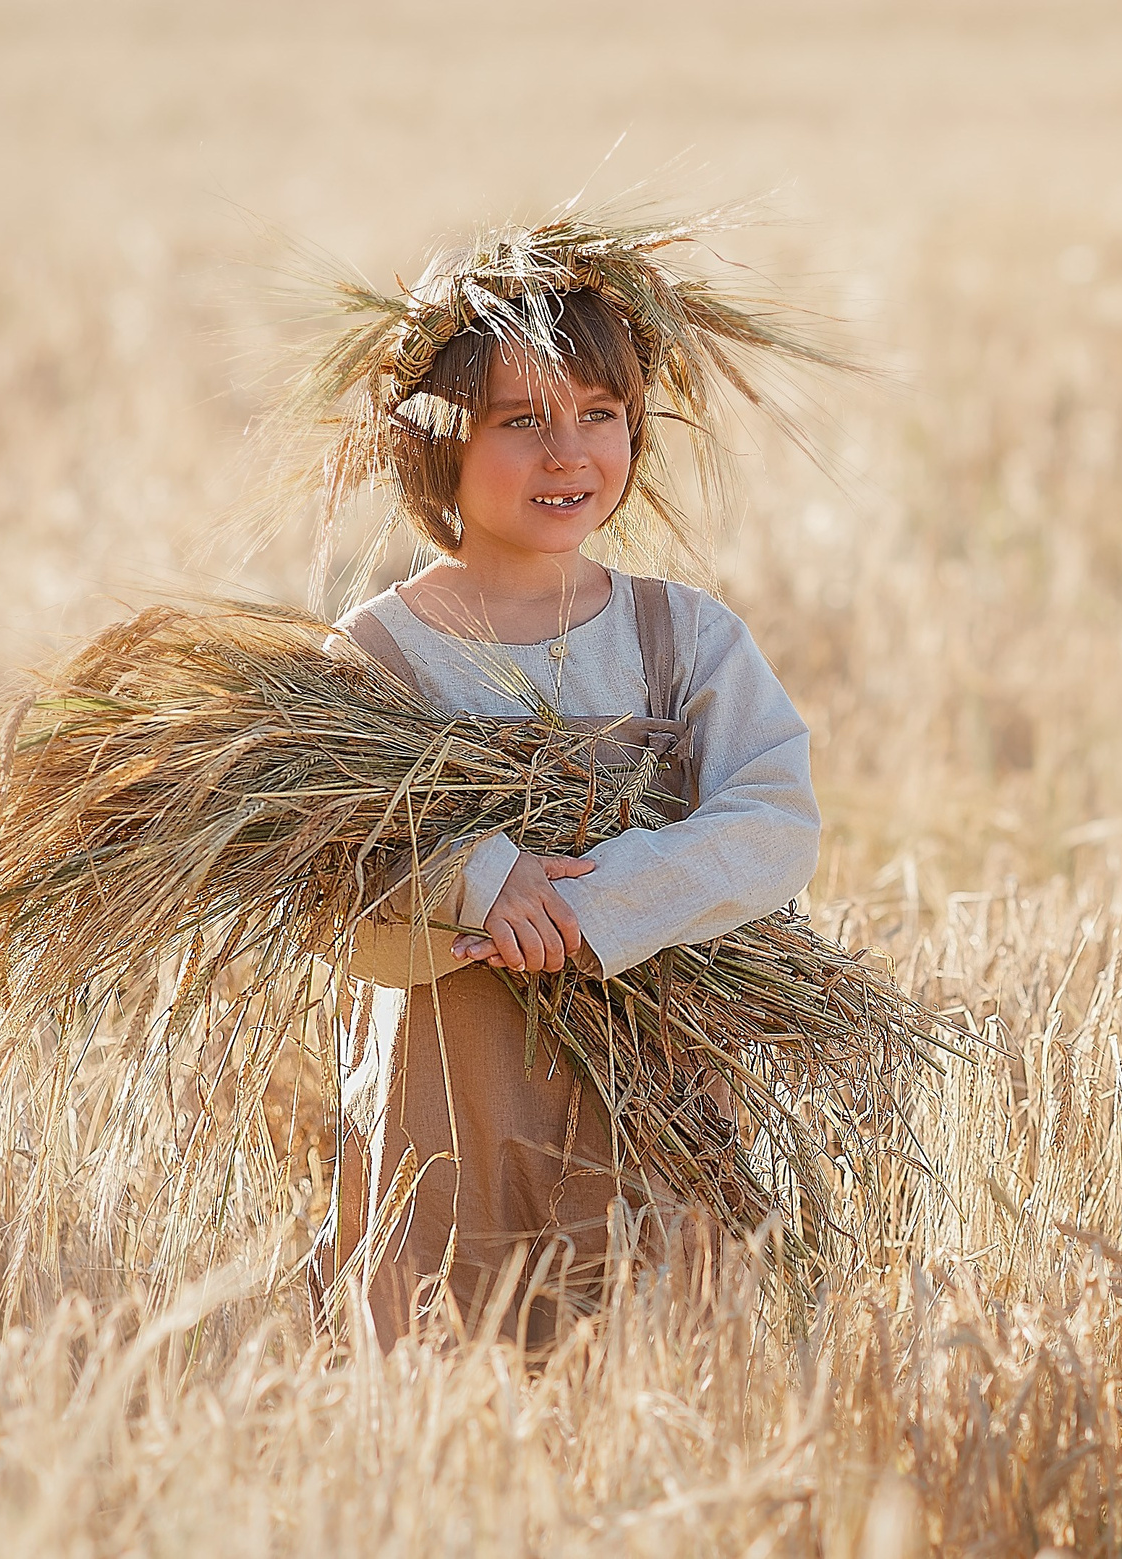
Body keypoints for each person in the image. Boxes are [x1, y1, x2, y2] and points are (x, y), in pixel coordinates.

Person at [301, 216, 840, 1348]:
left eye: (600, 414)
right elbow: (323, 879)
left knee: (654, 1366)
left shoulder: (681, 637)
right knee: (450, 1364)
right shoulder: (377, 659)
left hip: (653, 1078)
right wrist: (477, 877)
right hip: (444, 1099)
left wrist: (599, 901)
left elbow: (774, 820)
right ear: (438, 441)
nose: (568, 453)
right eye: (522, 420)